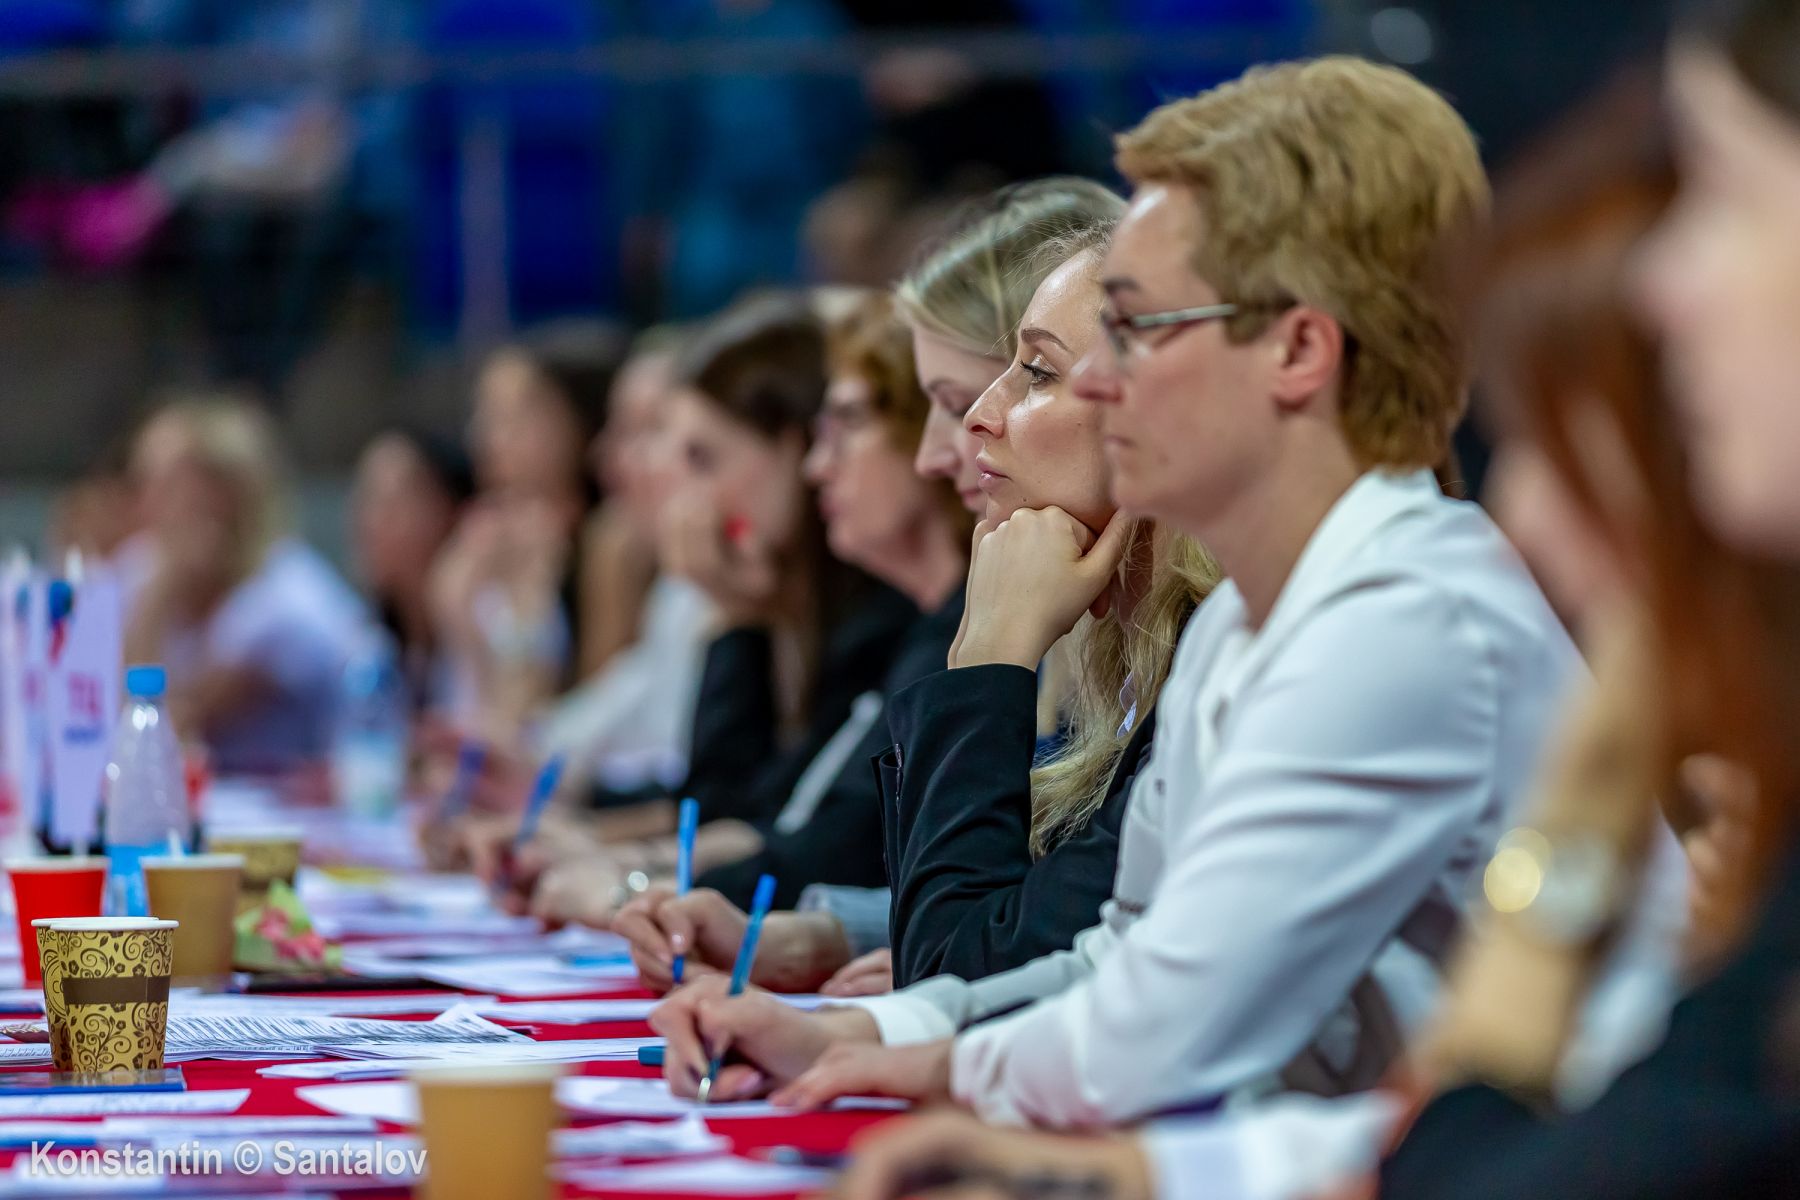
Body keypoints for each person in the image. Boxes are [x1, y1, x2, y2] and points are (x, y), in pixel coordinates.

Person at [650, 56, 1576, 1128]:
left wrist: (914, 1052)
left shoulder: (1397, 621)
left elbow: (1160, 1032)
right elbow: (1119, 959)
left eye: (1133, 329)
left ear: (1297, 350)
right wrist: (867, 1034)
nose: (1098, 378)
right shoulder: (1252, 616)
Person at [532, 290, 970, 934]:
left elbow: (829, 844)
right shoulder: (849, 620)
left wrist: (632, 884)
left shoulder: (890, 626)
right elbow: (765, 818)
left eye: (702, 457)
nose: (819, 467)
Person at [119, 397, 365, 778]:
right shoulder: (137, 566)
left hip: (313, 802)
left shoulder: (285, 593)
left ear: (227, 494)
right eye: (143, 482)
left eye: (170, 485)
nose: (145, 502)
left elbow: (162, 733)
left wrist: (159, 595)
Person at [428, 323, 626, 739]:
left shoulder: (608, 539)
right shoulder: (479, 535)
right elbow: (462, 696)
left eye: (515, 415)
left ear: (576, 421)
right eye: (484, 414)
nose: (487, 436)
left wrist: (528, 598)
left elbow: (601, 709)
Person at [349, 426, 474, 718]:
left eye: (393, 501)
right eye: (367, 499)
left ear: (452, 512)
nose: (371, 522)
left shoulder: (489, 619)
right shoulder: (369, 641)